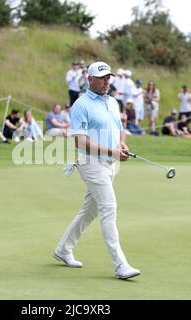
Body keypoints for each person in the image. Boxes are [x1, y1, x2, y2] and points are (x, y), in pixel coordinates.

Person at [54, 61, 141, 280]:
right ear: (90, 79)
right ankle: (120, 265)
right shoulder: (80, 105)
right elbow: (80, 143)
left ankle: (63, 249)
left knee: (90, 211)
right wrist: (112, 151)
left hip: (110, 164)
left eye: (108, 77)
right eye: (102, 78)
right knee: (109, 208)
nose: (106, 82)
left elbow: (120, 130)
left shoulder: (112, 102)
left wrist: (121, 145)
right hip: (91, 163)